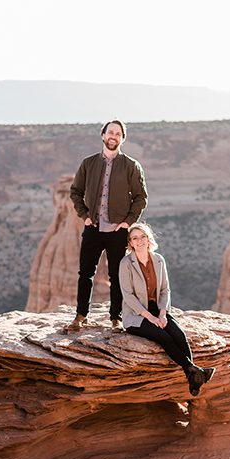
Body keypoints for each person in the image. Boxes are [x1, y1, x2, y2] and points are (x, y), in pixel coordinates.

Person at [62, 120, 148, 333]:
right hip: (93, 227)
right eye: (110, 132)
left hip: (117, 231)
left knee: (117, 276)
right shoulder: (88, 163)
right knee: (85, 273)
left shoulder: (131, 166)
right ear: (103, 135)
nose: (114, 136)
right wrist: (85, 216)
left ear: (122, 139)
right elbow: (75, 191)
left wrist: (127, 222)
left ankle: (116, 319)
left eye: (118, 134)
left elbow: (140, 197)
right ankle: (81, 316)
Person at [119, 223, 215, 396]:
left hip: (158, 309)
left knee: (180, 335)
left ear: (149, 239)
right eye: (135, 238)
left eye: (143, 236)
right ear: (130, 243)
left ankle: (194, 377)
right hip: (136, 315)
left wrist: (162, 313)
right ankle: (195, 374)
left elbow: (165, 290)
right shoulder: (126, 263)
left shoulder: (158, 260)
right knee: (164, 337)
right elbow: (128, 296)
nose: (139, 241)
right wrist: (150, 317)